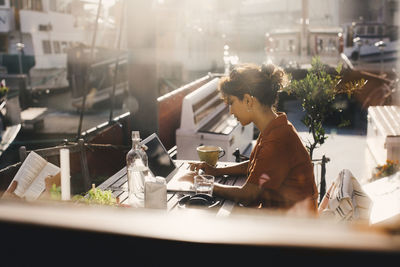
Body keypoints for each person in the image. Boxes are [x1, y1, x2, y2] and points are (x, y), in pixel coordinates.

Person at [188, 63, 319, 213]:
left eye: (231, 103)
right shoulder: (276, 127)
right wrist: (216, 172)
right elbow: (256, 166)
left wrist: (205, 185)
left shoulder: (278, 139)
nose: (230, 111)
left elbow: (249, 196)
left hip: (292, 229)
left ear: (248, 100)